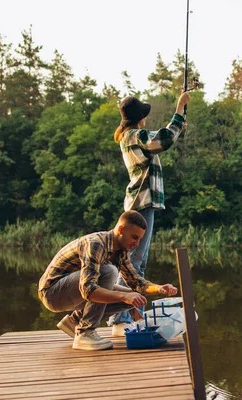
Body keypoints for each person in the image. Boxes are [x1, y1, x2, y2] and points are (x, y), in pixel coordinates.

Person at [108, 92, 190, 335]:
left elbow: (167, 137)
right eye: (143, 114)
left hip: (140, 205)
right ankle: (120, 320)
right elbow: (164, 139)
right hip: (141, 205)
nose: (146, 117)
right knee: (133, 264)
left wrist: (181, 117)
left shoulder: (129, 136)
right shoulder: (136, 136)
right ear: (139, 118)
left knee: (136, 263)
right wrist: (178, 108)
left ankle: (132, 316)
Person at [38, 210, 178, 351]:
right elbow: (88, 290)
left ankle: (75, 321)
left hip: (72, 291)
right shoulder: (96, 244)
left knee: (136, 297)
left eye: (139, 240)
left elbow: (137, 283)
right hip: (52, 293)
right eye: (134, 237)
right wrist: (124, 296)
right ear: (121, 229)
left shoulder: (120, 252)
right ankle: (85, 333)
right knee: (109, 272)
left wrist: (159, 288)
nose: (136, 243)